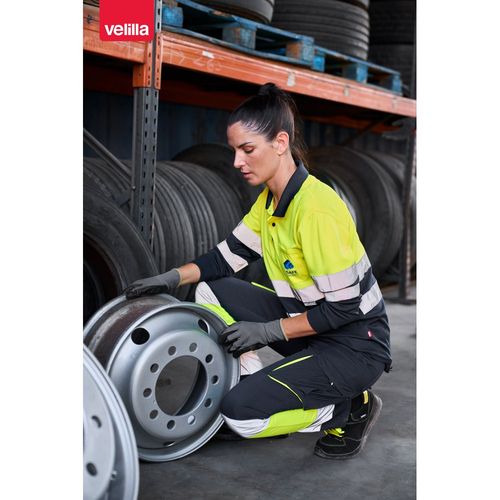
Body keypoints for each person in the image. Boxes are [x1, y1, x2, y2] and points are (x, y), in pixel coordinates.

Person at [124, 82, 392, 459]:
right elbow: (225, 258)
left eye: (247, 150)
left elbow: (344, 309)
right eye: (235, 150)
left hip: (355, 344)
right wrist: (171, 277)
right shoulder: (270, 201)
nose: (237, 161)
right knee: (210, 289)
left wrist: (265, 331)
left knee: (240, 415)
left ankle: (349, 408)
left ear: (280, 143)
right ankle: (251, 384)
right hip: (313, 324)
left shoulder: (316, 211)